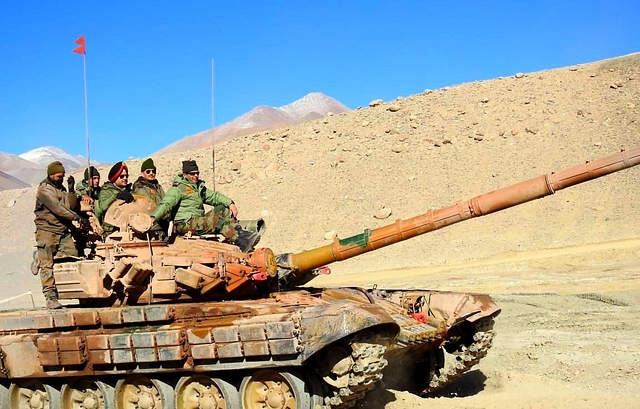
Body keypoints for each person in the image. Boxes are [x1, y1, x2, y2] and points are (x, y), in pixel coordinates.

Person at [150, 160, 259, 252]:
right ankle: (241, 241)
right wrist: (153, 218)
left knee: (223, 209)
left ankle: (238, 233)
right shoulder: (178, 188)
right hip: (184, 223)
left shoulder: (198, 187)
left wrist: (230, 203)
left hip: (197, 220)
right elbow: (166, 204)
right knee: (216, 221)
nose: (196, 176)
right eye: (192, 174)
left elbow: (214, 197)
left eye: (197, 173)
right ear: (185, 175)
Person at [34, 161, 87, 309]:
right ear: (51, 175)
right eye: (59, 176)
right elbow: (58, 209)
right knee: (47, 265)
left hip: (63, 230)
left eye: (63, 176)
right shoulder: (44, 190)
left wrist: (70, 190)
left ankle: (42, 255)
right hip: (47, 231)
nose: (61, 179)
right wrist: (76, 218)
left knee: (73, 256)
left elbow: (70, 206)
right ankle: (50, 297)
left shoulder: (61, 188)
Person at [95, 161, 134, 238]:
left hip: (128, 228)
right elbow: (103, 206)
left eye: (126, 176)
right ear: (115, 177)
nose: (125, 178)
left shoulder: (130, 191)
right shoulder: (106, 190)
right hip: (111, 230)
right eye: (122, 176)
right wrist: (117, 195)